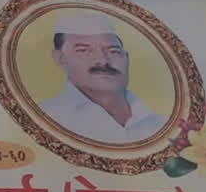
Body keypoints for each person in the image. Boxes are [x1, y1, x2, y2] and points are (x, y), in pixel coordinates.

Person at [38, 13, 166, 144]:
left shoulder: (162, 126)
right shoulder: (43, 120)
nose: (103, 60)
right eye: (83, 50)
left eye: (113, 51)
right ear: (60, 59)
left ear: (127, 58)